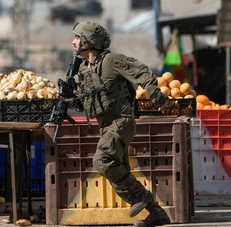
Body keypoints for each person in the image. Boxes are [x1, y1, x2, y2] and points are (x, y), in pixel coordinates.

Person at [69, 21, 172, 227]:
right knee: (118, 172)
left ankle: (141, 197)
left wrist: (155, 94)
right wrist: (71, 98)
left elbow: (141, 70)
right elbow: (86, 103)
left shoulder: (111, 61)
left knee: (103, 161)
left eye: (78, 38)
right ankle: (157, 213)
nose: (73, 42)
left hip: (121, 121)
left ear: (90, 41)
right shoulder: (84, 68)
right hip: (106, 125)